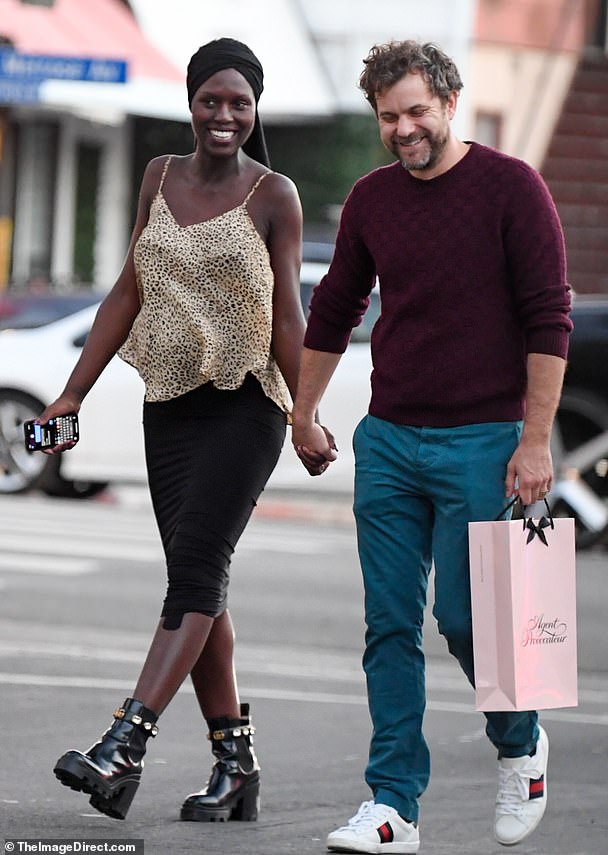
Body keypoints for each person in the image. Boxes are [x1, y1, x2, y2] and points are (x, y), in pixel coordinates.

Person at [39, 37, 329, 824]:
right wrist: (69, 394)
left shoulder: (276, 194)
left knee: (196, 572)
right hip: (169, 405)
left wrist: (303, 411)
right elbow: (129, 285)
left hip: (246, 406)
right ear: (191, 103)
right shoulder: (159, 176)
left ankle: (122, 745)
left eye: (240, 102)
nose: (225, 114)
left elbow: (288, 315)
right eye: (212, 99)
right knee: (198, 585)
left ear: (255, 109)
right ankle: (236, 766)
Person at [292, 40, 572, 853]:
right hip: (389, 443)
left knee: (466, 617)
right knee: (388, 623)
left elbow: (548, 317)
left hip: (485, 440)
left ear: (450, 101)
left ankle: (522, 744)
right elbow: (336, 308)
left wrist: (536, 441)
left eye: (417, 110)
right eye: (389, 116)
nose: (404, 128)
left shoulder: (512, 187)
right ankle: (392, 805)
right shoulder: (372, 199)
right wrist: (302, 413)